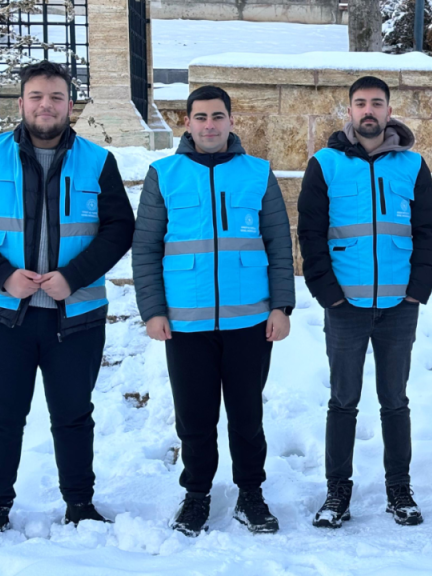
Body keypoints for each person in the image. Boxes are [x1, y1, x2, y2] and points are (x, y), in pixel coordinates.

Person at [0, 61, 134, 542]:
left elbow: (120, 228)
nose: (46, 105)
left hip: (75, 317)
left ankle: (79, 504)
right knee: (2, 417)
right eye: (36, 96)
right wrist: (3, 275)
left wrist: (73, 277)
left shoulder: (97, 161)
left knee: (74, 415)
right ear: (21, 102)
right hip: (1, 316)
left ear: (69, 105)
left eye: (56, 97)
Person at [132, 85, 295, 536]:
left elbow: (279, 244)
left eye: (217, 116)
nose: (209, 125)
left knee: (247, 416)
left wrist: (281, 306)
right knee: (195, 418)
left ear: (230, 121)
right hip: (186, 322)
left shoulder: (258, 173)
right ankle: (196, 495)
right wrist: (153, 310)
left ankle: (251, 494)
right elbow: (145, 248)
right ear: (187, 122)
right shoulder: (164, 174)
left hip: (250, 321)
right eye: (200, 117)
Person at [298, 76, 432, 528]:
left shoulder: (412, 165)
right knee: (343, 401)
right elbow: (310, 234)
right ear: (349, 110)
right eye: (360, 103)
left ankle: (399, 488)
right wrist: (328, 294)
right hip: (346, 306)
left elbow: (428, 231)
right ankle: (337, 491)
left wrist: (417, 289)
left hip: (399, 304)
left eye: (376, 103)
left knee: (395, 400)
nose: (368, 111)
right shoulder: (325, 164)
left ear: (388, 111)